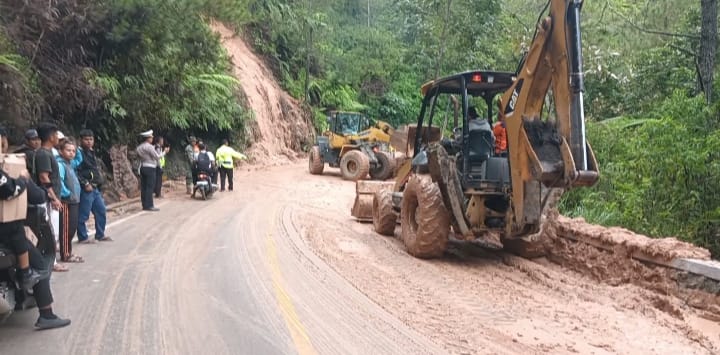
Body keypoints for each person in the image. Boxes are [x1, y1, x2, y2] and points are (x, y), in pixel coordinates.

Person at [33, 123, 69, 272]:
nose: (57, 138)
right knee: (51, 231)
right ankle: (51, 262)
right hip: (47, 199)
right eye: (55, 135)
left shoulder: (47, 153)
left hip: (50, 197)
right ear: (50, 137)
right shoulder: (43, 154)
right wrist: (54, 198)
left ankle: (51, 260)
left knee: (53, 230)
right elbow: (43, 177)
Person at [76, 129, 111, 243]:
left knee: (101, 210)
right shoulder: (78, 154)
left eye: (91, 139)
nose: (89, 142)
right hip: (86, 188)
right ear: (80, 140)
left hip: (95, 188)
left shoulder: (91, 152)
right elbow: (76, 171)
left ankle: (100, 234)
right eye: (86, 139)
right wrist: (85, 183)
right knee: (83, 214)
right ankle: (83, 237)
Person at [56, 139, 83, 263]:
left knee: (72, 228)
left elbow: (79, 160)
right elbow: (59, 182)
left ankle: (68, 252)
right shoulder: (60, 164)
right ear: (60, 151)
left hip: (74, 200)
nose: (72, 153)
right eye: (68, 150)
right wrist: (66, 194)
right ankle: (65, 254)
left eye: (73, 151)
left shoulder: (70, 164)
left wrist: (78, 150)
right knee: (67, 229)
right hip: (67, 201)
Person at [136, 130, 168, 211]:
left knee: (144, 187)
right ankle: (149, 205)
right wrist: (164, 152)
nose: (152, 138)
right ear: (148, 138)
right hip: (150, 168)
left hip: (142, 167)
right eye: (151, 137)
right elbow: (157, 156)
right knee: (150, 187)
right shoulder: (149, 147)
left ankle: (144, 205)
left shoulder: (139, 147)